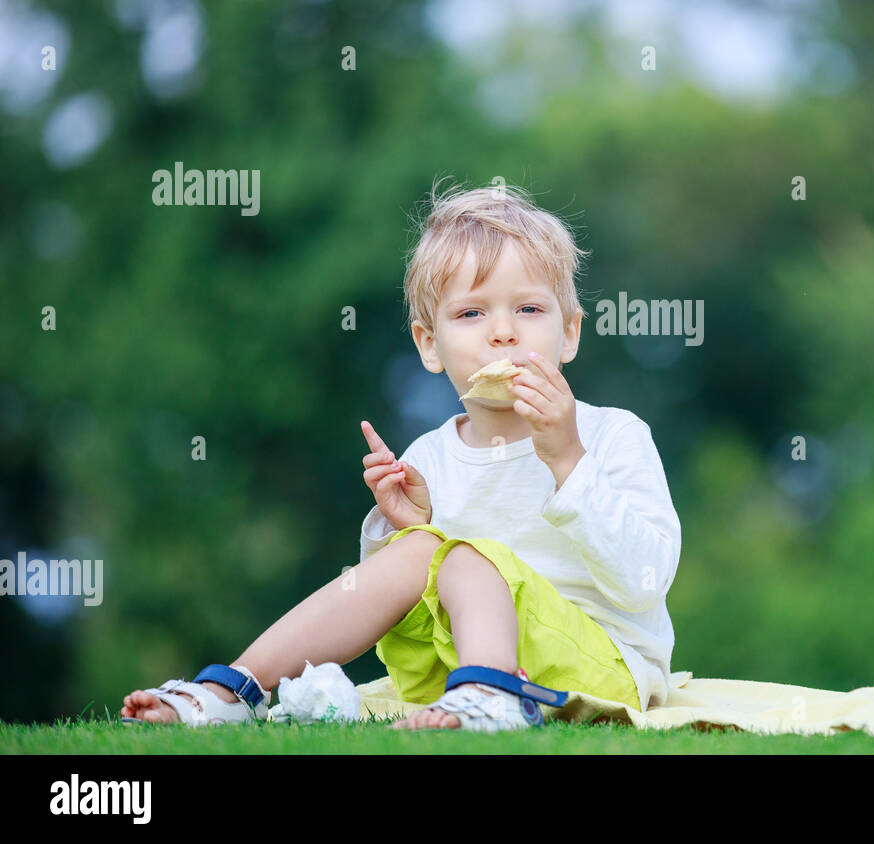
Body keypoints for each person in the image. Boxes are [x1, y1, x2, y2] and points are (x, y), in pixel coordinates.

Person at [120, 180, 681, 731]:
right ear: (429, 344)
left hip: (604, 667)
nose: (504, 333)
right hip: (453, 670)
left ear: (570, 334)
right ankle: (235, 687)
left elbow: (645, 582)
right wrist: (410, 530)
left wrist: (567, 459)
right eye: (471, 314)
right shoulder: (430, 455)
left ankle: (492, 693)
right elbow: (388, 600)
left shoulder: (612, 436)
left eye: (530, 309)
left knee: (463, 556)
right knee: (428, 552)